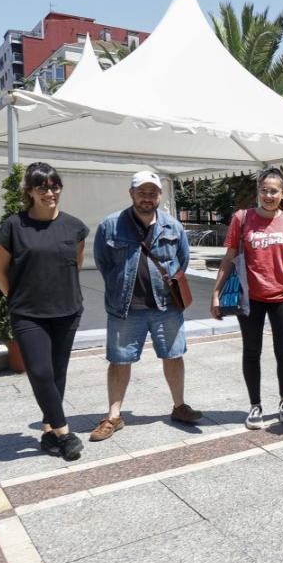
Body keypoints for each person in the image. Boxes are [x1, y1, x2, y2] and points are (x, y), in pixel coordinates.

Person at [90, 170, 203, 441]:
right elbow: (103, 262)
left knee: (174, 356)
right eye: (142, 192)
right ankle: (114, 416)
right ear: (132, 194)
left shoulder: (173, 227)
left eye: (153, 193)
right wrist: (121, 286)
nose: (147, 198)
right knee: (119, 361)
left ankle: (179, 406)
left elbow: (182, 262)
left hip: (166, 307)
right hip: (125, 308)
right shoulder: (111, 225)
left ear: (160, 196)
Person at [0, 162, 89, 462]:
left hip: (67, 311)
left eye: (55, 186)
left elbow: (76, 263)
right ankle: (64, 432)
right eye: (42, 187)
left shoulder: (74, 226)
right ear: (30, 192)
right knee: (40, 371)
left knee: (57, 373)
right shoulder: (13, 226)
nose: (50, 192)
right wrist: (17, 299)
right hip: (28, 314)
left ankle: (49, 432)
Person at [211, 167, 283, 429]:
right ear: (258, 192)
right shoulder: (242, 219)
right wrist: (216, 293)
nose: (268, 195)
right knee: (251, 351)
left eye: (273, 191)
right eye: (264, 190)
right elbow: (229, 258)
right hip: (251, 297)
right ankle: (255, 405)